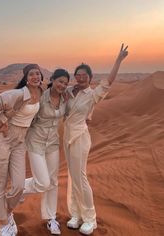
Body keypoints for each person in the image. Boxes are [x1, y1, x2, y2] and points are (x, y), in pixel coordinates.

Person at [63, 44, 128, 235]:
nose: (81, 77)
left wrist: (118, 59)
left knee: (80, 177)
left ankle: (90, 219)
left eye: (84, 75)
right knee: (72, 177)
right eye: (78, 74)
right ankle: (76, 214)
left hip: (80, 137)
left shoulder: (92, 95)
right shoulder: (68, 92)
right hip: (67, 137)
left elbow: (109, 81)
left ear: (90, 78)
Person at [0, 64, 43, 236]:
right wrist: (2, 121)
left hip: (20, 141)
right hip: (3, 139)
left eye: (38, 73)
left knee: (18, 185)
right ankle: (4, 223)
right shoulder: (17, 94)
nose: (35, 77)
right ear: (26, 77)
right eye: (31, 74)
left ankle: (7, 212)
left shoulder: (40, 93)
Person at [23, 69, 70, 235]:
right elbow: (26, 116)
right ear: (52, 79)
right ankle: (19, 187)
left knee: (53, 181)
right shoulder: (40, 96)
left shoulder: (65, 98)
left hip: (52, 143)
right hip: (35, 142)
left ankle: (50, 218)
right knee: (43, 182)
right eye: (60, 81)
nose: (62, 85)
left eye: (65, 83)